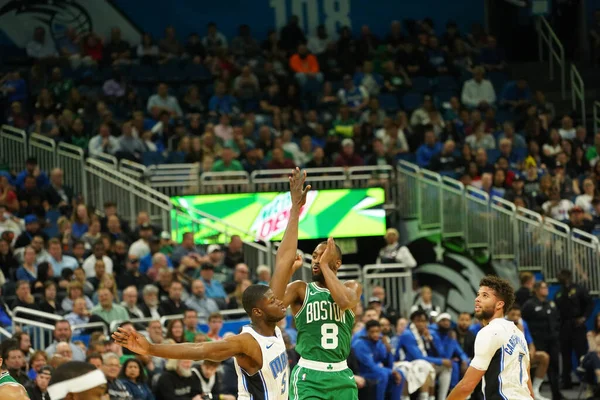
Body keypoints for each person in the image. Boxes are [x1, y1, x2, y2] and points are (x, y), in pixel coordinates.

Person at [270, 168, 363, 400]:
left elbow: (343, 301)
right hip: (309, 375)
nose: (315, 260)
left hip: (342, 374)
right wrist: (295, 210)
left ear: (337, 263)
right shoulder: (301, 289)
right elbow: (272, 301)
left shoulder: (352, 287)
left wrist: (324, 266)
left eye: (322, 256)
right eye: (314, 256)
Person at [112, 284, 289, 399]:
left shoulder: (275, 330)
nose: (281, 302)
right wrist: (150, 348)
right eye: (273, 301)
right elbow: (199, 349)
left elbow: (283, 260)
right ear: (258, 312)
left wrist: (293, 222)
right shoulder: (247, 342)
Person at [446, 275, 534, 400]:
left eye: (485, 296)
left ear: (499, 304)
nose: (477, 299)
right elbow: (527, 381)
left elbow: (467, 385)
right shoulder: (518, 333)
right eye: (478, 294)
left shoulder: (490, 332)